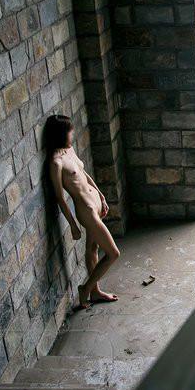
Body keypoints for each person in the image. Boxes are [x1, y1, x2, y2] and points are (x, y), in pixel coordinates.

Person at [45, 114, 119, 310]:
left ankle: (95, 292)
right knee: (113, 253)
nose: (72, 134)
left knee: (93, 249)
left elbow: (83, 174)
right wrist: (73, 225)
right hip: (87, 211)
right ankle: (85, 289)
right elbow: (60, 198)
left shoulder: (69, 149)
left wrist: (101, 196)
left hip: (95, 203)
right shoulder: (56, 162)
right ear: (60, 134)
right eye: (69, 132)